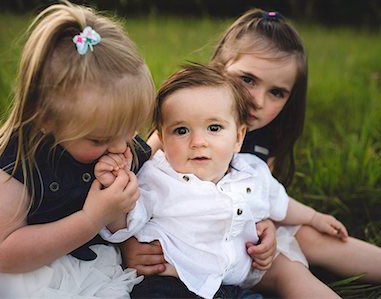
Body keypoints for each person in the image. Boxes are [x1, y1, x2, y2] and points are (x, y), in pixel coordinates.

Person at [123, 8, 381, 298]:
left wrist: (266, 227)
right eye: (247, 79)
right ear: (218, 69)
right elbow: (136, 186)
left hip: (241, 243)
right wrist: (129, 244)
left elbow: (259, 196)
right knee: (303, 241)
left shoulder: (266, 134)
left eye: (276, 93)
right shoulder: (185, 123)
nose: (257, 101)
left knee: (313, 236)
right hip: (183, 242)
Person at [95, 63, 348, 299]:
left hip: (233, 285)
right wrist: (114, 190)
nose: (198, 142)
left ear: (238, 137)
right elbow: (125, 222)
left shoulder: (252, 172)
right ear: (162, 137)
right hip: (171, 282)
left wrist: (314, 217)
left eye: (213, 128)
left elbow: (279, 203)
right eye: (181, 131)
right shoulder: (157, 177)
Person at [0, 2, 155, 298]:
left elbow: (129, 224)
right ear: (46, 118)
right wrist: (90, 219)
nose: (121, 146)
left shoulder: (120, 142)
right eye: (98, 140)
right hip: (28, 278)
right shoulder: (16, 160)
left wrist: (118, 206)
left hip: (95, 274)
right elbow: (2, 254)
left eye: (130, 129)